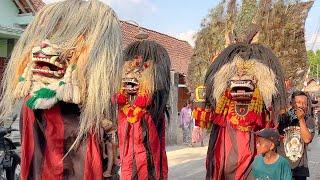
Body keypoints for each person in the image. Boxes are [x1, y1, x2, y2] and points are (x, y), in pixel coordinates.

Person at [278, 91, 315, 180]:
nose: (302, 105)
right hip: (282, 167)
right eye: (298, 102)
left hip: (300, 169)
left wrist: (301, 119)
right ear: (292, 104)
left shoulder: (308, 120)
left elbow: (307, 139)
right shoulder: (283, 118)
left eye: (304, 103)